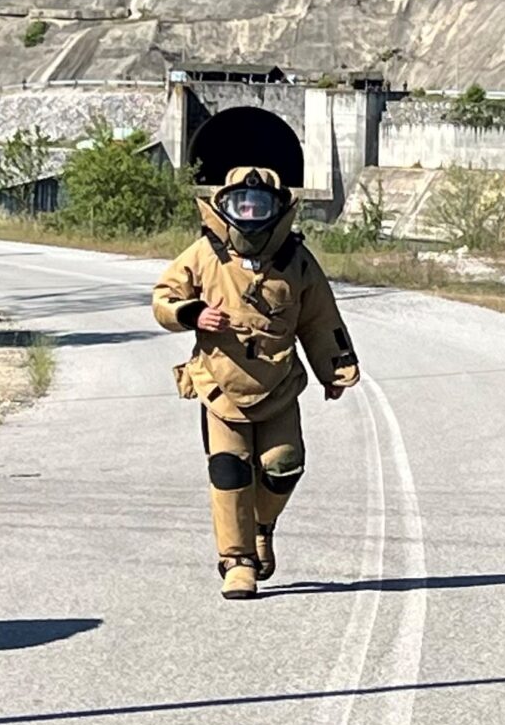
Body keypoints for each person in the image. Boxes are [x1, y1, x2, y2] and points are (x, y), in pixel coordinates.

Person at [151, 164, 359, 598]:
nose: (249, 213)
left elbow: (321, 320)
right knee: (229, 470)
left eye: (259, 205)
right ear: (224, 207)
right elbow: (165, 298)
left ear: (277, 209)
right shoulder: (204, 254)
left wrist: (335, 370)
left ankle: (262, 524)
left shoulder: (297, 261)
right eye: (241, 205)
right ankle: (237, 561)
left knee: (283, 467)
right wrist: (192, 314)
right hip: (219, 387)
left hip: (278, 387)